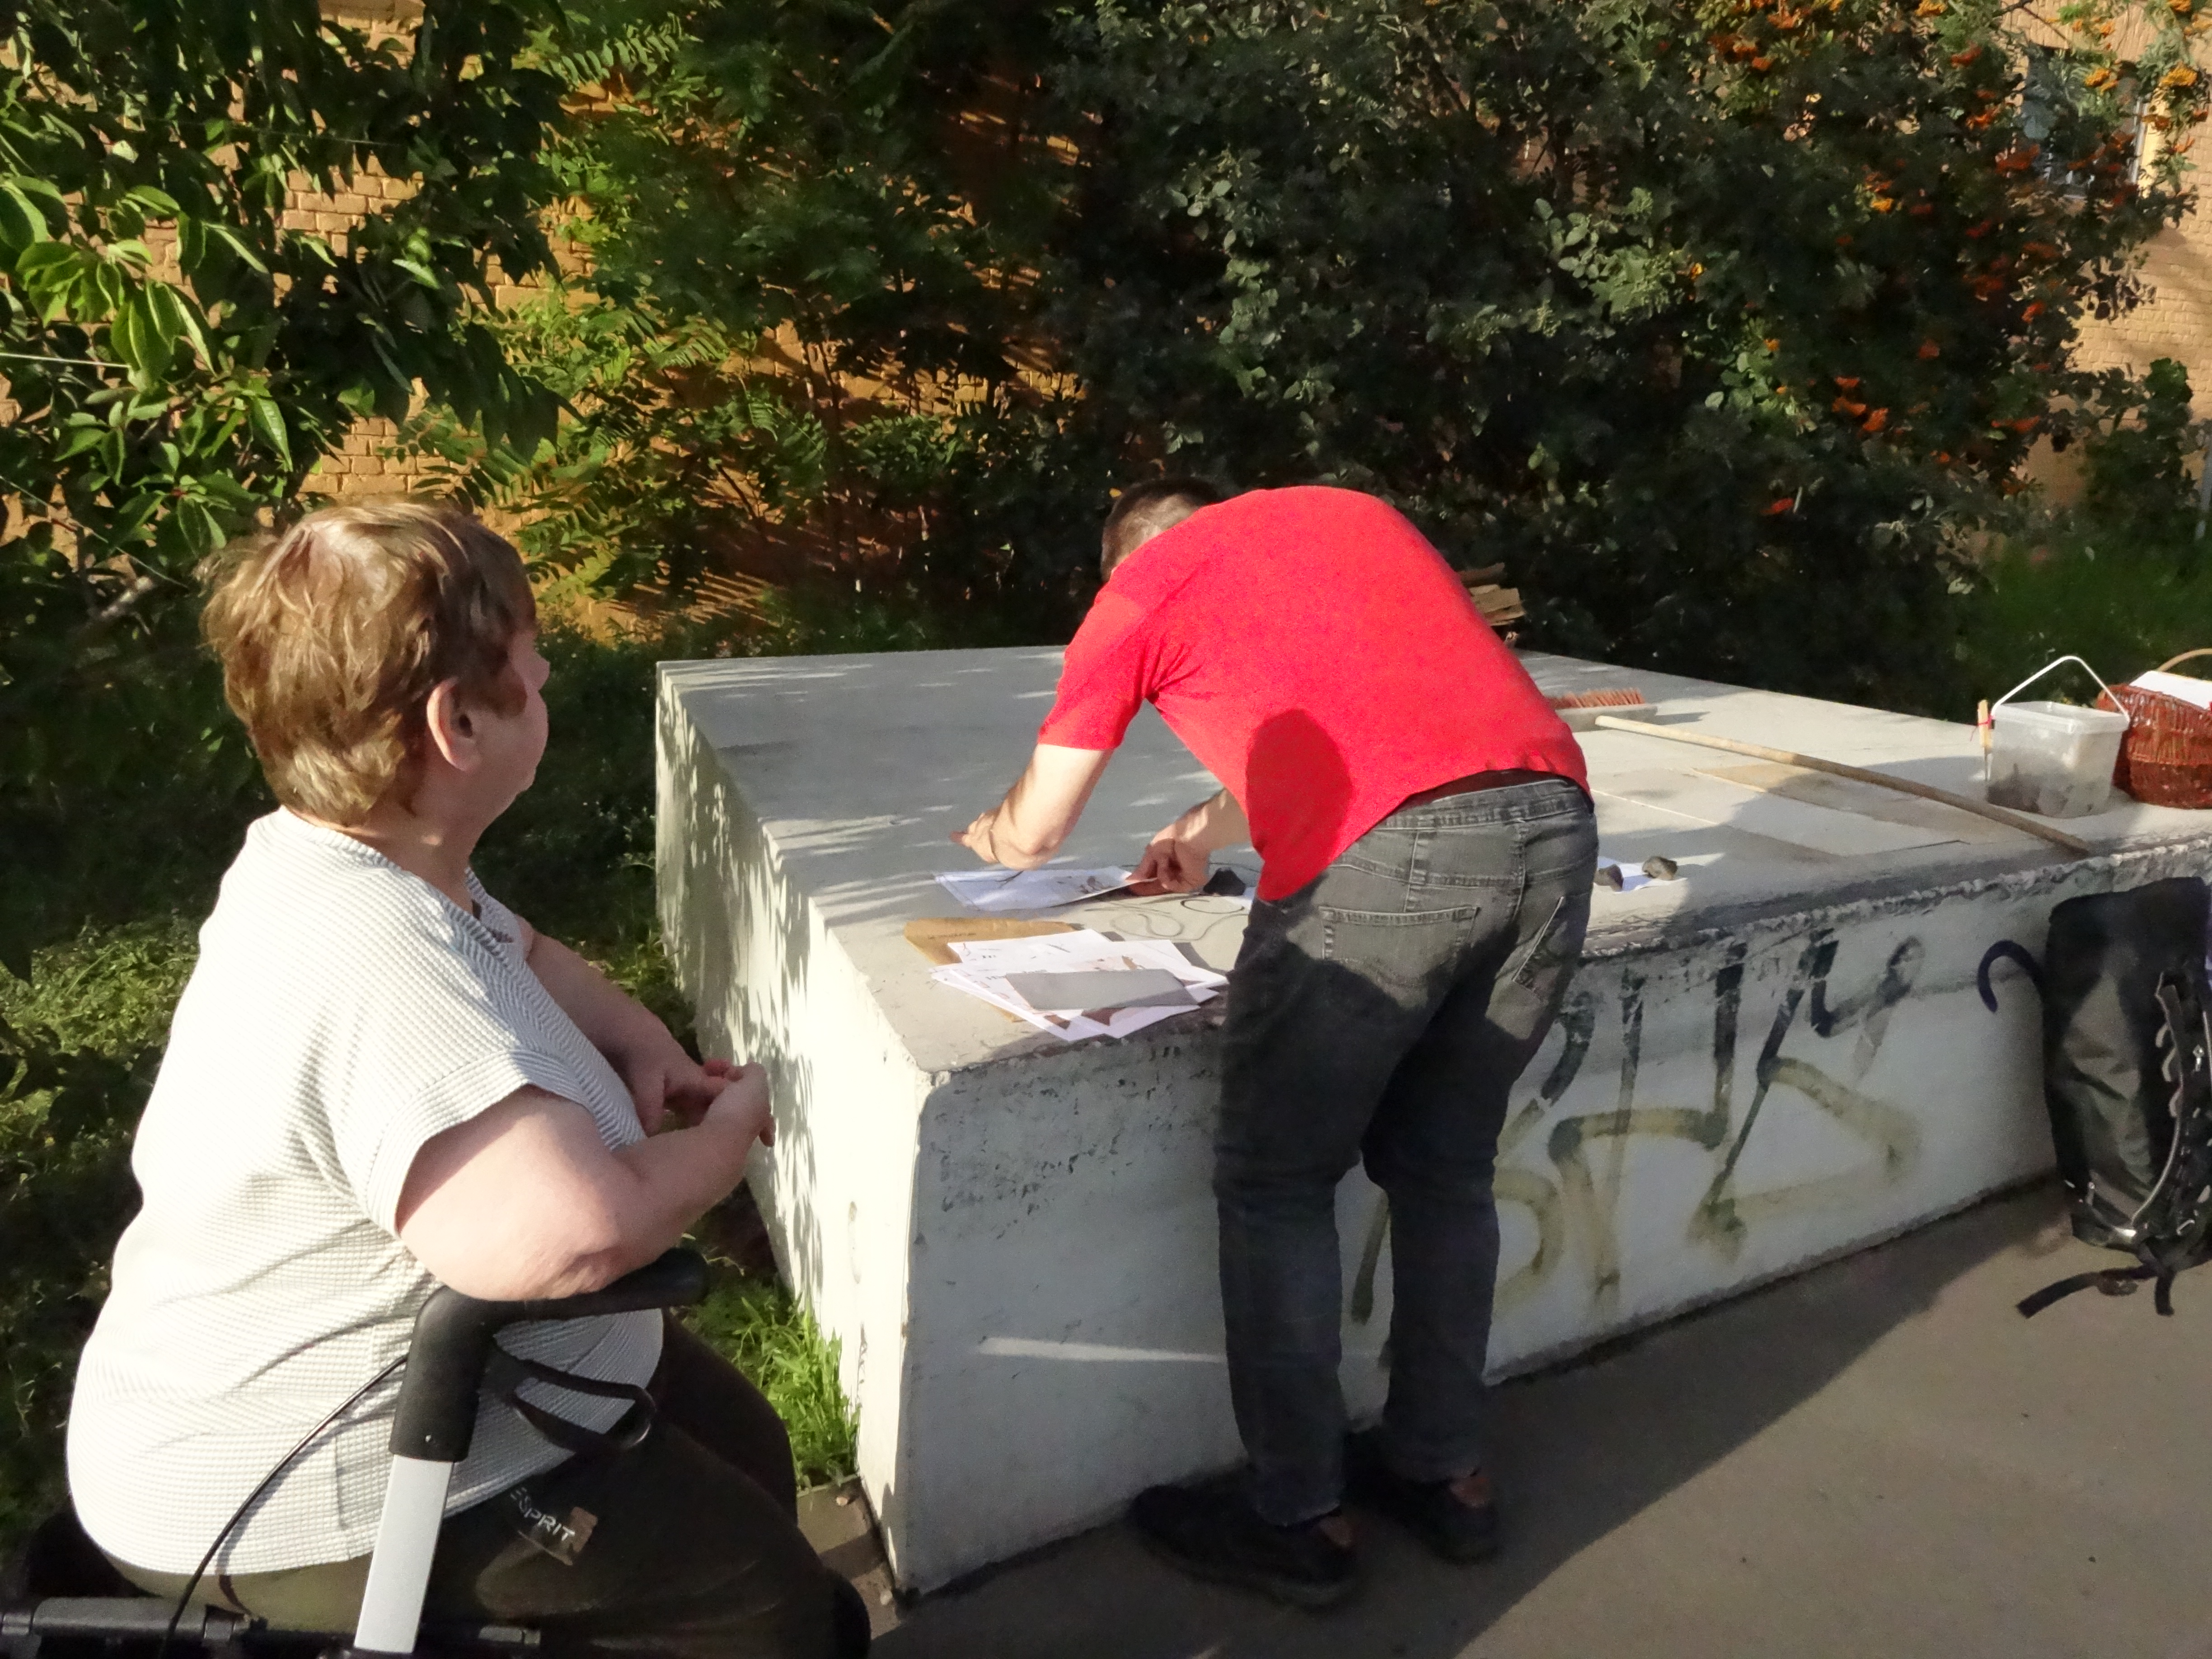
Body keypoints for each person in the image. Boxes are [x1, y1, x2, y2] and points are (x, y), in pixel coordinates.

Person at [66, 504, 867, 1657]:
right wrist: (730, 1134)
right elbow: (569, 1239)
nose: (547, 682)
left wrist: (641, 1040)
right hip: (300, 1492)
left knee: (742, 1442)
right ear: (458, 723)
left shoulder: (358, 857)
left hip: (466, 1390)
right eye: (533, 676)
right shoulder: (373, 955)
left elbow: (518, 946)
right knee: (764, 1607)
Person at [952, 480, 1597, 1607]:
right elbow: (1378, 712)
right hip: (1553, 823)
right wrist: (1203, 830)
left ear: (1122, 562)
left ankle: (1297, 1514)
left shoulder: (1138, 594)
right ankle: (1445, 1474)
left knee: (1278, 1181)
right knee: (1445, 1168)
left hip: (1389, 869)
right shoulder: (1347, 517)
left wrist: (996, 831)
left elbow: (1038, 829)